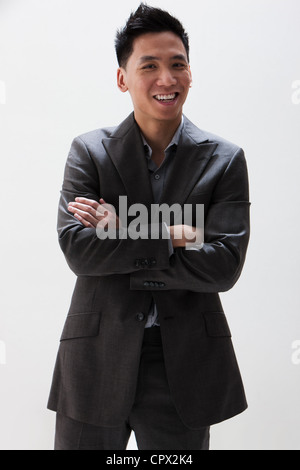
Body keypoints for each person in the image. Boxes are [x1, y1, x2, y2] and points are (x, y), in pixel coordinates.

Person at [48, 3, 251, 450]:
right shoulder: (88, 152)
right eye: (150, 66)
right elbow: (80, 252)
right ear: (123, 78)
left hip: (185, 363)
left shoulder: (224, 159)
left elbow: (224, 266)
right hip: (95, 358)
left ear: (191, 74)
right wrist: (182, 233)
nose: (167, 79)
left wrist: (123, 229)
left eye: (178, 65)